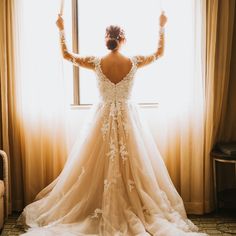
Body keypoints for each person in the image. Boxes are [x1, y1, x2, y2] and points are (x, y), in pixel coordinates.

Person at [17, 12, 208, 236]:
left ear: (106, 39)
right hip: (129, 118)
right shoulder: (134, 61)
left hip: (103, 118)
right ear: (123, 39)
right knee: (134, 166)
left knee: (93, 168)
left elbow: (67, 56)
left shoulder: (96, 62)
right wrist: (161, 26)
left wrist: (61, 29)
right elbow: (159, 53)